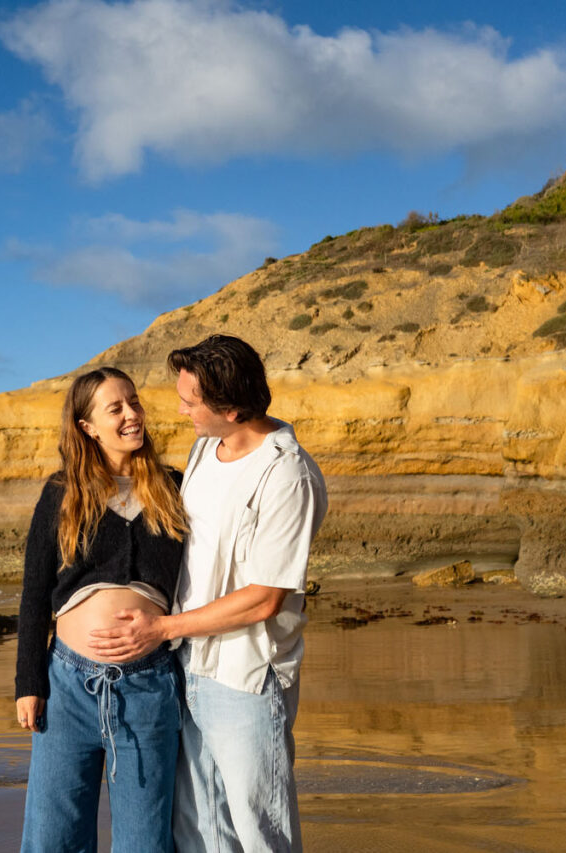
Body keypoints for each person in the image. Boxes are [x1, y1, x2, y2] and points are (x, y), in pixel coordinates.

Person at [88, 335, 328, 853]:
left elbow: (266, 597)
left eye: (191, 401)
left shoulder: (287, 474)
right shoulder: (202, 451)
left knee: (259, 830)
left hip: (247, 676)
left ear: (232, 407)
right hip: (188, 668)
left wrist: (161, 628)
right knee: (200, 831)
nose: (179, 409)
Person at [16, 366, 189, 853]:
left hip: (149, 687)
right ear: (87, 426)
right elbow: (34, 592)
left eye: (134, 402)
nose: (132, 415)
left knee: (144, 843)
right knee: (54, 839)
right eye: (116, 408)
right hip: (67, 688)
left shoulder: (175, 486)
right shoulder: (62, 492)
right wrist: (29, 684)